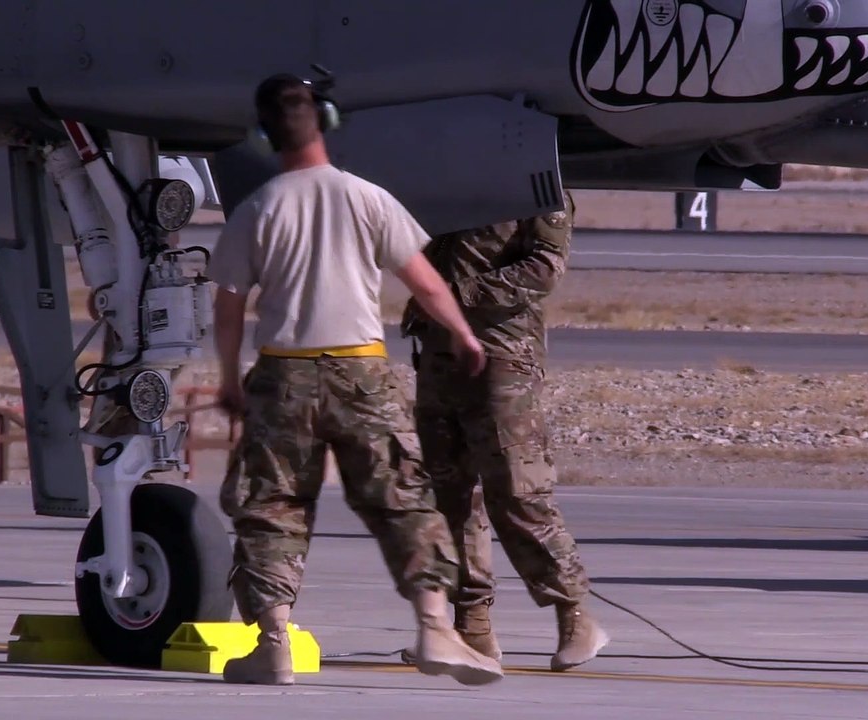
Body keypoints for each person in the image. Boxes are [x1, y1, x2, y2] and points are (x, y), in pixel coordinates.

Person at [206, 72, 503, 688]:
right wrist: (463, 334)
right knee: (402, 497)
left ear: (264, 136)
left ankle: (273, 645)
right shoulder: (368, 198)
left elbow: (229, 304)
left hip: (283, 374)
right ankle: (434, 628)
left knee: (272, 507)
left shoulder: (257, 208)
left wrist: (229, 378)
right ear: (327, 122)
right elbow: (425, 282)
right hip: (361, 371)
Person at [399, 195, 609, 672]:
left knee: (517, 490)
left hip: (503, 355)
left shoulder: (537, 189)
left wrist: (457, 294)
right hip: (439, 353)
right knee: (448, 494)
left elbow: (544, 268)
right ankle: (471, 622)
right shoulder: (448, 186)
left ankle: (574, 614)